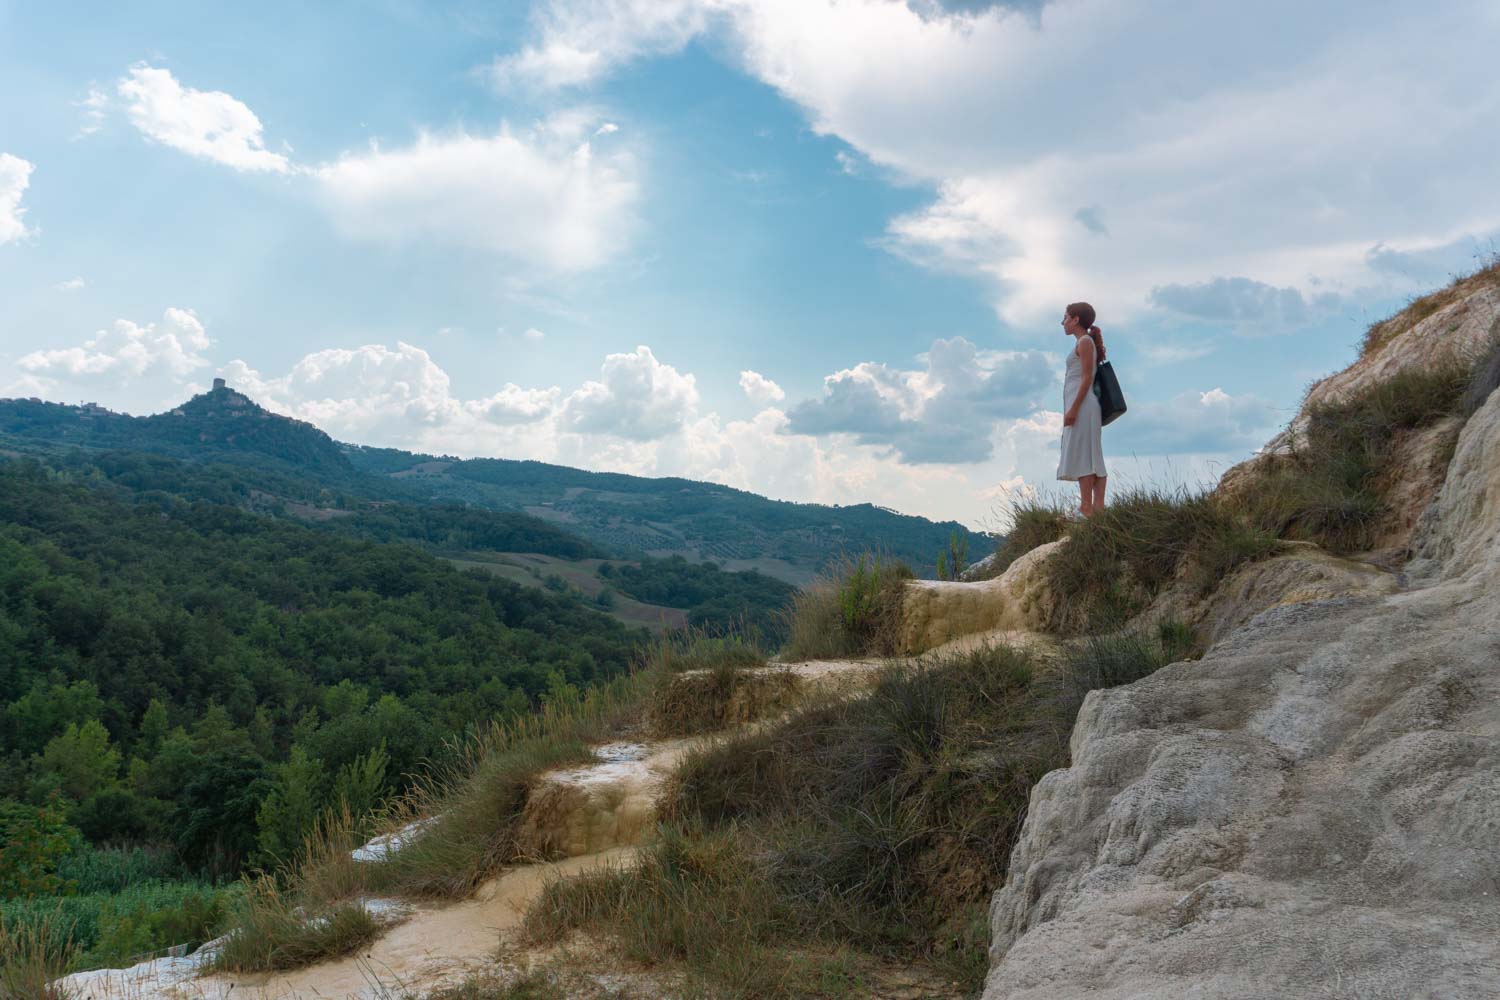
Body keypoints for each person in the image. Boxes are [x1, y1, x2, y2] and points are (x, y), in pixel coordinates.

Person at [1057, 301, 1108, 516]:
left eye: (1066, 317)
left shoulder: (1085, 341)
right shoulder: (1083, 342)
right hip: (1082, 406)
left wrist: (1073, 410)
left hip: (1084, 406)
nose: (1063, 322)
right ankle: (1093, 507)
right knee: (1089, 454)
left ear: (1076, 319)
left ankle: (1089, 506)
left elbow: (1087, 378)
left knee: (1086, 455)